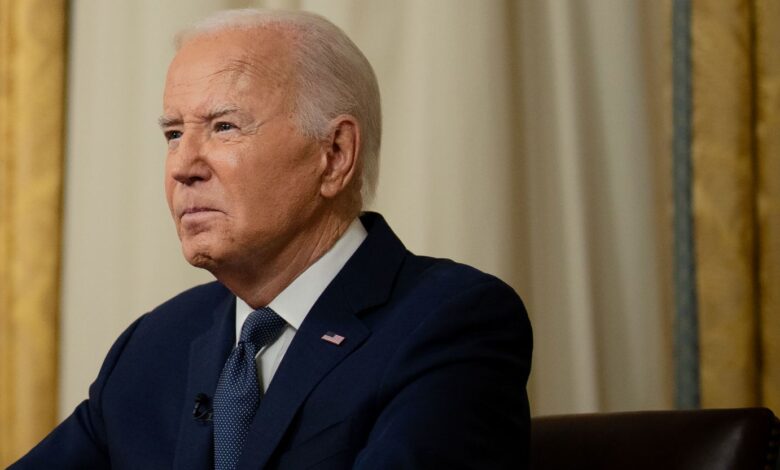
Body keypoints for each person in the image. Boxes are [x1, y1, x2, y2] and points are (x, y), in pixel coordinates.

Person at [12, 9, 532, 470]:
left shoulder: (450, 323)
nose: (183, 167)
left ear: (334, 154)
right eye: (173, 134)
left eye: (223, 127)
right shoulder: (153, 346)